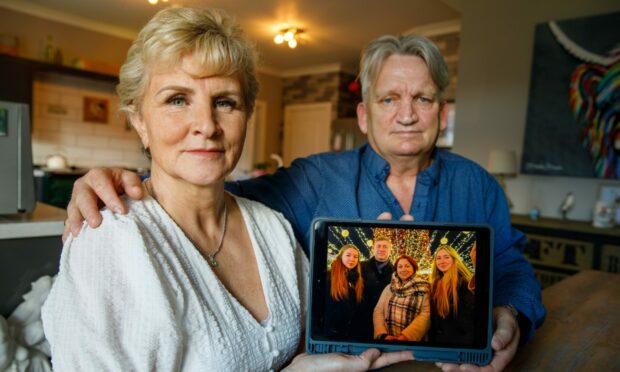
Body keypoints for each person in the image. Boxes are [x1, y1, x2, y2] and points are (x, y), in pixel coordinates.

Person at [63, 33, 546, 370]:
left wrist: (511, 314)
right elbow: (213, 192)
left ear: (442, 112)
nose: (406, 115)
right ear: (362, 114)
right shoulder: (313, 179)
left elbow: (510, 263)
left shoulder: (478, 184)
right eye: (388, 99)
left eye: (422, 99)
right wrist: (130, 184)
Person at [41, 8, 412, 371]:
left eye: (224, 102)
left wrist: (371, 283)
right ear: (139, 121)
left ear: (246, 115)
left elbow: (302, 346)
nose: (207, 124)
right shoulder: (110, 242)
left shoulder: (272, 228)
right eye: (177, 99)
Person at [373, 255, 430, 342]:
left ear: (414, 268)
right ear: (396, 270)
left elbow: (425, 315)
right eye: (400, 266)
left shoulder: (423, 288)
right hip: (388, 340)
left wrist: (405, 336)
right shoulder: (389, 288)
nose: (403, 269)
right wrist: (382, 334)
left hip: (411, 342)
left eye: (407, 266)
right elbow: (379, 310)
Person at [428, 245, 475, 345]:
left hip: (459, 340)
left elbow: (469, 317)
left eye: (446, 257)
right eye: (438, 258)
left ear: (454, 259)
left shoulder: (464, 282)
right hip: (439, 340)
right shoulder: (435, 284)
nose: (442, 261)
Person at [325, 244, 365, 339]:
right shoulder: (329, 276)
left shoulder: (356, 278)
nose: (352, 259)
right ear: (341, 256)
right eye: (348, 255)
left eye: (355, 257)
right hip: (332, 331)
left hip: (348, 331)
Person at [358, 234, 394, 340]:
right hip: (361, 318)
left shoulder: (396, 271)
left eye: (385, 246)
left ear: (390, 250)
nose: (381, 249)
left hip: (383, 321)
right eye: (378, 246)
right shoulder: (360, 266)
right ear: (373, 249)